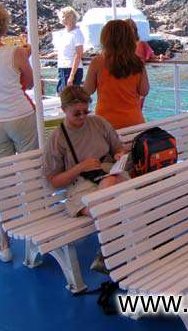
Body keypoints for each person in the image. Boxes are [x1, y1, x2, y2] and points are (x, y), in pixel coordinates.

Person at [43, 86, 126, 272]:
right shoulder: (58, 139)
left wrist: (120, 155)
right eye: (77, 113)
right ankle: (111, 253)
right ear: (64, 110)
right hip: (81, 187)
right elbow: (54, 181)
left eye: (85, 112)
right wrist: (80, 167)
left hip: (108, 176)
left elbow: (118, 148)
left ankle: (107, 253)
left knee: (110, 186)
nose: (82, 117)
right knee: (117, 202)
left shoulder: (98, 123)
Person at [0, 2, 38, 160]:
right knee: (30, 165)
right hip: (20, 114)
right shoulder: (16, 53)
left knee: (1, 171)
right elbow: (30, 84)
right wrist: (26, 56)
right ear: (3, 26)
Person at [84, 20, 149, 130]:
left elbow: (88, 90)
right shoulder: (137, 62)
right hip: (134, 123)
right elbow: (144, 91)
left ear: (105, 38)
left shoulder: (98, 62)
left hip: (106, 124)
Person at [47, 7, 85, 94]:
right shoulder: (64, 33)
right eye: (62, 16)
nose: (62, 19)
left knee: (69, 97)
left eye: (65, 16)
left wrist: (71, 76)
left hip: (71, 69)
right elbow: (65, 50)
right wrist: (52, 55)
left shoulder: (77, 33)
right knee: (62, 94)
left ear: (71, 18)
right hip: (62, 68)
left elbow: (78, 54)